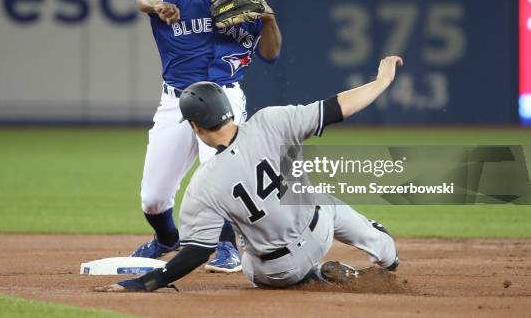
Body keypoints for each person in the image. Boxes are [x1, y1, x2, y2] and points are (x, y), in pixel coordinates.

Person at [97, 56, 403, 292]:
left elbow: (196, 253)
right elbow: (337, 108)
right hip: (319, 227)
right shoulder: (272, 122)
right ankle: (384, 251)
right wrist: (381, 81)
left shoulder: (204, 184)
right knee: (321, 200)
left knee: (249, 263)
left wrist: (143, 283)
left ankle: (315, 275)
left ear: (195, 127)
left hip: (279, 270)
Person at [132, 0, 282, 273]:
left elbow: (271, 54)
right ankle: (167, 240)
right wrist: (158, 6)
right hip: (176, 100)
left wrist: (268, 19)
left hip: (224, 97)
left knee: (219, 172)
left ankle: (227, 246)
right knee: (153, 198)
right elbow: (143, 0)